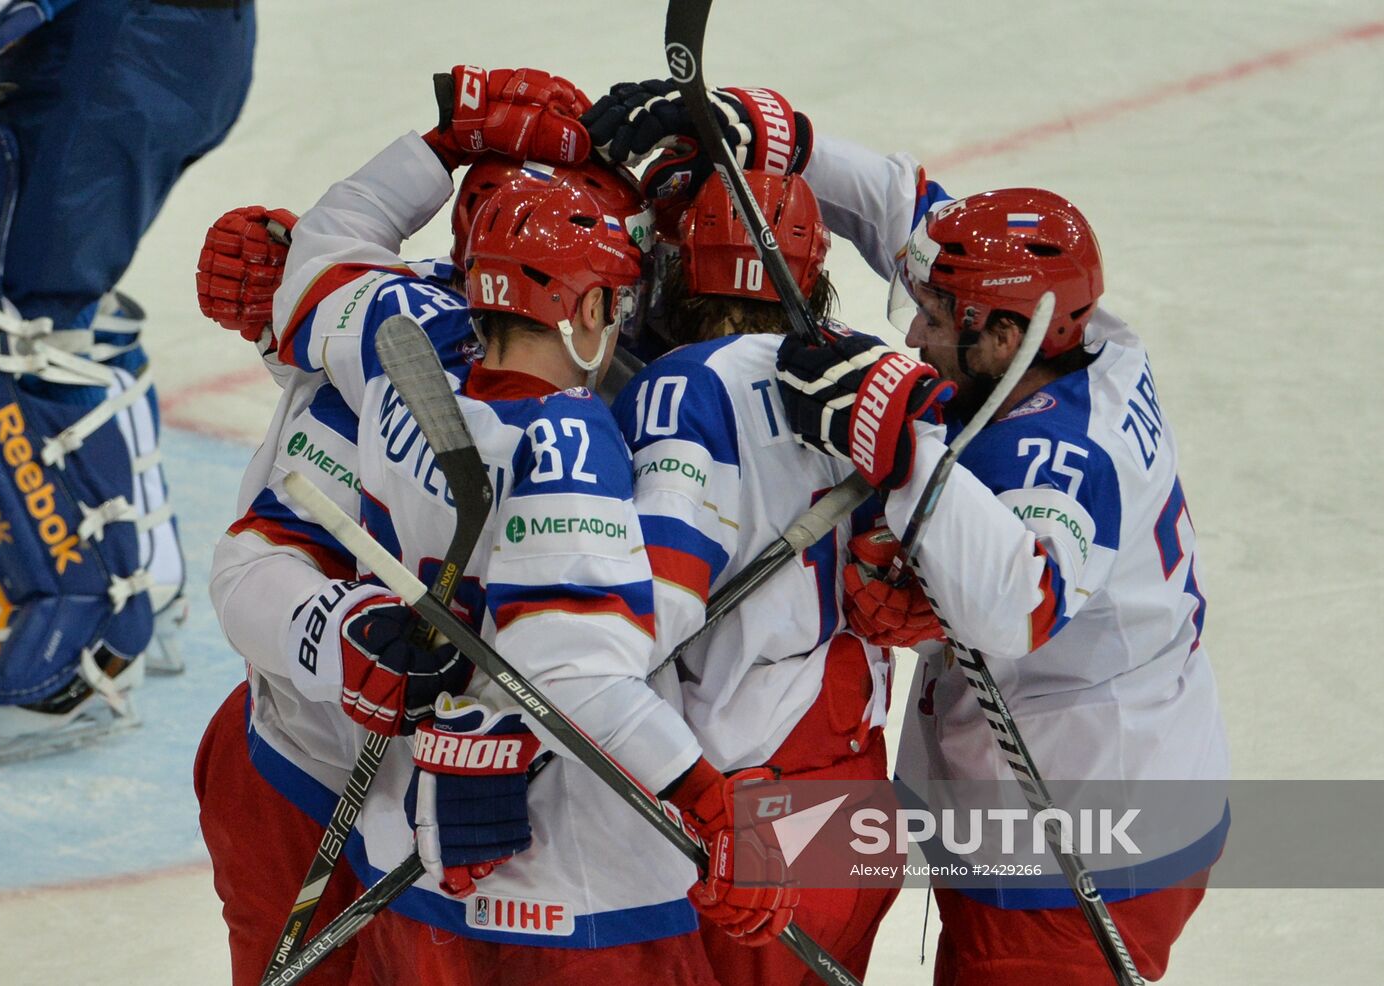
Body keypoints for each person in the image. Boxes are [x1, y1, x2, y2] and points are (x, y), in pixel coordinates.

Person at [587, 80, 1229, 985]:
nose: (914, 339)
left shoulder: (1056, 454)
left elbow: (1022, 604)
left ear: (1005, 334)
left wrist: (898, 444)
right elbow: (905, 204)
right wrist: (777, 136)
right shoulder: (1068, 332)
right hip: (1062, 794)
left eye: (933, 319)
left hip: (1081, 837)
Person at [199, 66, 605, 984]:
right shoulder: (396, 343)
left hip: (509, 804)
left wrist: (440, 144)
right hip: (303, 768)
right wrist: (342, 635)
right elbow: (255, 561)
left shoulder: (644, 379)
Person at [609, 165, 932, 986]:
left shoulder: (681, 386)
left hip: (745, 819)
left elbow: (648, 614)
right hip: (857, 797)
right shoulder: (867, 370)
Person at [0, 0, 254, 759]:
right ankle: (148, 589)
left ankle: (75, 649)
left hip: (111, 56)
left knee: (21, 329)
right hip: (171, 46)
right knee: (67, 310)